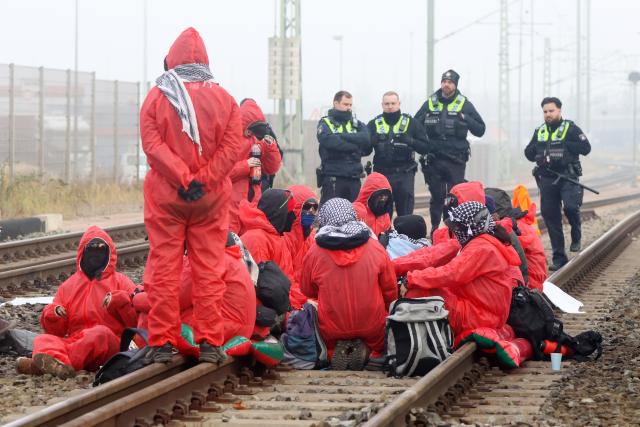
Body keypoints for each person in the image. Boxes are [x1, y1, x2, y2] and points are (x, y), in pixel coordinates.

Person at [140, 27, 243, 364]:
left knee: (164, 269)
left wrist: (183, 178)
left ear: (172, 58)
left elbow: (152, 145)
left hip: (167, 195)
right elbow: (232, 148)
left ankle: (161, 342)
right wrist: (205, 180)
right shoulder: (226, 99)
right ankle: (211, 342)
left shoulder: (158, 95)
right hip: (210, 199)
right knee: (210, 270)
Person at [17, 226, 138, 379]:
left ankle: (46, 365)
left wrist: (120, 301)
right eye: (91, 248)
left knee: (100, 333)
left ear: (109, 252)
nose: (96, 253)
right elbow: (55, 332)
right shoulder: (68, 286)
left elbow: (137, 322)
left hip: (112, 344)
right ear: (83, 251)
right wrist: (53, 314)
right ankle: (58, 365)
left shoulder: (122, 282)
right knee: (43, 339)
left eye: (101, 249)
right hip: (76, 341)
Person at [300, 198, 396, 369]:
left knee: (312, 311)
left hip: (332, 327)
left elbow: (307, 289)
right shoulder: (374, 247)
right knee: (377, 333)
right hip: (372, 326)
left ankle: (332, 352)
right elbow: (390, 289)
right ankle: (373, 351)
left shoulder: (315, 251)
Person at [401, 202, 520, 340]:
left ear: (472, 226)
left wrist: (412, 278)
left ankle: (424, 343)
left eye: (459, 226)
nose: (456, 231)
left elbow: (451, 273)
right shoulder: (488, 240)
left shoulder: (480, 248)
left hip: (478, 316)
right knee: (429, 285)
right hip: (487, 314)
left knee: (417, 291)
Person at [134, 232, 257, 344]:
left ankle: (142, 359)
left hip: (225, 328)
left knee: (154, 314)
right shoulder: (226, 258)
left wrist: (136, 298)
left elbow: (168, 301)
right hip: (240, 328)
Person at [524, 97, 591, 270]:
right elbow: (528, 153)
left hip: (568, 178)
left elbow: (586, 148)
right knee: (550, 217)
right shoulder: (540, 131)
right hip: (546, 179)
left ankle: (576, 233)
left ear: (559, 110)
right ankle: (559, 258)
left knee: (570, 207)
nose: (548, 114)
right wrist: (540, 151)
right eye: (545, 112)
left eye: (551, 111)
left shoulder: (570, 128)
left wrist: (564, 147)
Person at [415, 70, 486, 232]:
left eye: (450, 82)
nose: (446, 84)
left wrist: (465, 118)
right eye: (444, 81)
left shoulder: (464, 104)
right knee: (437, 197)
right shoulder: (430, 103)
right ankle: (435, 230)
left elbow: (481, 129)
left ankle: (453, 231)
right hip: (434, 160)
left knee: (454, 197)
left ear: (455, 85)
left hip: (456, 160)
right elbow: (414, 126)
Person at [239, 189, 306, 309]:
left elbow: (287, 282)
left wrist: (302, 301)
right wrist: (293, 306)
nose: (294, 216)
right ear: (279, 213)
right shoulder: (257, 239)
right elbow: (261, 287)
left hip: (279, 305)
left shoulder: (276, 238)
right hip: (263, 315)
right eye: (290, 211)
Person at [364, 91, 429, 216]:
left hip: (404, 174)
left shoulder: (411, 123)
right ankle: (384, 235)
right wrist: (372, 141)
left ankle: (404, 235)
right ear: (382, 105)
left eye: (393, 103)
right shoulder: (374, 124)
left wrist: (410, 141)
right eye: (387, 103)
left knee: (405, 214)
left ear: (399, 104)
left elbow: (425, 147)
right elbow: (363, 150)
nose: (390, 106)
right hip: (382, 175)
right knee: (381, 213)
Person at [228, 99, 282, 233]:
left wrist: (271, 146)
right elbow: (221, 172)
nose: (251, 133)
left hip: (253, 200)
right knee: (232, 240)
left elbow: (272, 168)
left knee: (249, 240)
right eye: (250, 129)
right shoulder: (230, 140)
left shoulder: (258, 140)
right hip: (231, 200)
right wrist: (246, 165)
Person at [316, 91, 370, 203]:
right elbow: (329, 141)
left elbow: (366, 139)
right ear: (335, 103)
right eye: (345, 104)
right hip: (334, 178)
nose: (349, 108)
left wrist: (341, 136)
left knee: (355, 215)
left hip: (354, 179)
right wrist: (355, 146)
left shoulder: (357, 124)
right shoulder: (325, 122)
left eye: (350, 105)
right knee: (331, 215)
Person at [283, 185, 319, 285]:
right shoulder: (283, 238)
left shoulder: (311, 239)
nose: (311, 211)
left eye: (314, 207)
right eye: (307, 206)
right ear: (296, 208)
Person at [352, 172, 393, 237]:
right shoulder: (357, 211)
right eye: (380, 195)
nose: (383, 199)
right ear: (370, 194)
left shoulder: (385, 214)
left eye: (386, 195)